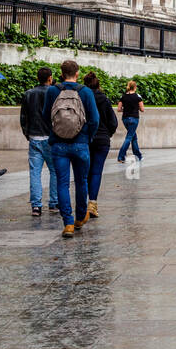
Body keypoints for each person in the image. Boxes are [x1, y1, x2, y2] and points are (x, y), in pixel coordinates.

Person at [44, 59, 98, 239]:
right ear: (77, 73)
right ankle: (81, 217)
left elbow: (46, 115)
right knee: (82, 181)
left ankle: (67, 222)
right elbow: (95, 119)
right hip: (81, 143)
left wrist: (55, 132)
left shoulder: (53, 91)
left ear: (61, 73)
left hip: (59, 144)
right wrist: (87, 137)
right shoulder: (86, 92)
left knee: (62, 183)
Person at [20, 66, 58, 217]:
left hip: (34, 137)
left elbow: (24, 117)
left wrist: (27, 134)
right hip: (50, 137)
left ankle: (36, 206)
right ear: (50, 78)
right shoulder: (54, 93)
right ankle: (54, 203)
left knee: (35, 173)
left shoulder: (28, 94)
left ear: (37, 78)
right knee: (54, 171)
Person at [83, 72, 117, 218]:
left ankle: (81, 204)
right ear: (98, 84)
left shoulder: (82, 97)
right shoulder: (104, 99)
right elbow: (113, 122)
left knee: (84, 172)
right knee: (96, 172)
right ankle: (92, 203)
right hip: (102, 138)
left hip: (85, 138)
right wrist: (107, 134)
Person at [116, 80, 144, 163]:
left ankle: (138, 155)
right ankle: (121, 157)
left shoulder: (123, 96)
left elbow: (118, 109)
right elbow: (142, 109)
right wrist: (135, 108)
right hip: (134, 119)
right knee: (129, 137)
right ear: (135, 87)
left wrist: (126, 109)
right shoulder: (137, 96)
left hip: (125, 119)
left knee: (133, 137)